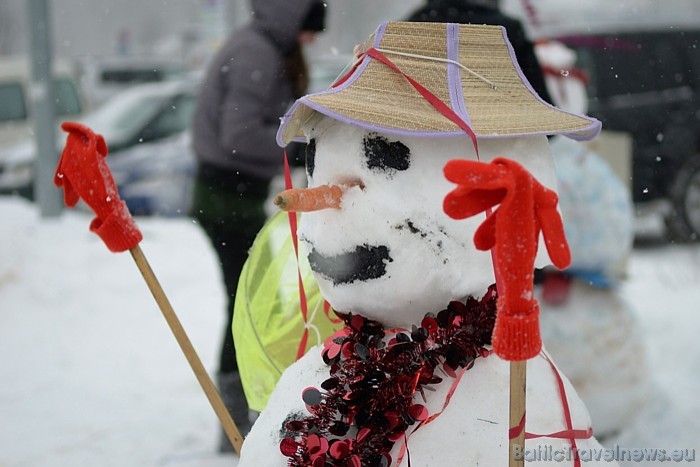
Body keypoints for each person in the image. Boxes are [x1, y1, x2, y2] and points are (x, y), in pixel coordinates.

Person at [190, 0, 326, 451]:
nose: (312, 38)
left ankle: (237, 416)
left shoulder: (261, 46)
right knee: (246, 306)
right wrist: (293, 151)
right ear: (295, 18)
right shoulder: (256, 52)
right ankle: (234, 420)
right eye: (310, 27)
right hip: (226, 199)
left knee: (249, 305)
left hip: (234, 198)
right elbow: (238, 134)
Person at [405, 0, 553, 104]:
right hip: (497, 140)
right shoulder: (508, 30)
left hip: (424, 140)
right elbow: (540, 100)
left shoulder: (406, 28)